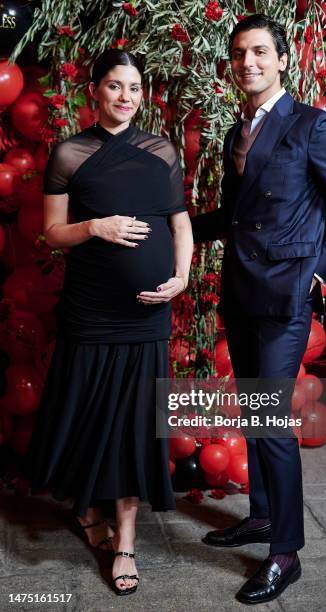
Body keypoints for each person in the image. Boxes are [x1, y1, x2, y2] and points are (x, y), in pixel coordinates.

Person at [192, 15, 326, 605]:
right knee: (254, 414)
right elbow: (237, 216)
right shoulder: (236, 130)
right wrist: (177, 229)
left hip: (287, 297)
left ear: (282, 59)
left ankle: (285, 553)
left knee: (271, 424)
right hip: (243, 293)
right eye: (240, 53)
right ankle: (264, 516)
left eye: (260, 52)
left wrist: (319, 274)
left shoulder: (312, 126)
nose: (249, 62)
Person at [26, 49, 193, 596]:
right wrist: (94, 226)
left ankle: (124, 539)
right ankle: (87, 512)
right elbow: (52, 233)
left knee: (134, 423)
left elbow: (181, 223)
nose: (126, 97)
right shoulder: (70, 154)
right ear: (95, 90)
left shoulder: (161, 151)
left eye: (136, 89)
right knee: (89, 414)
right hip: (91, 310)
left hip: (146, 311)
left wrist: (183, 274)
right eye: (116, 86)